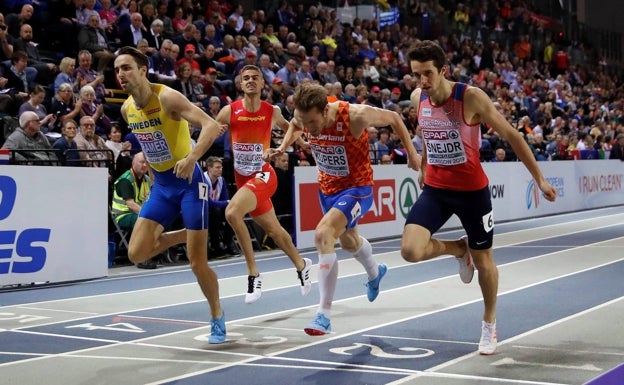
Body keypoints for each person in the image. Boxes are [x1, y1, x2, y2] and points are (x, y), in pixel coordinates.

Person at [403, 40, 558, 355]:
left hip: (472, 193)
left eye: (428, 74)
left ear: (443, 71)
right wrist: (425, 163)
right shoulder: (418, 98)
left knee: (485, 261)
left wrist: (539, 178)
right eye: (417, 75)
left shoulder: (470, 98)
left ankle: (489, 324)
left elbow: (512, 135)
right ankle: (460, 249)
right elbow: (428, 133)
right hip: (436, 189)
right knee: (410, 250)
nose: (422, 81)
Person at [264, 83, 420, 335]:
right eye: (305, 123)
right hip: (327, 188)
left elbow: (393, 118)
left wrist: (412, 155)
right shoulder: (303, 116)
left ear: (326, 110)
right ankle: (375, 273)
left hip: (357, 189)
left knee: (322, 234)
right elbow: (295, 125)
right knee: (349, 242)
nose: (309, 129)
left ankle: (323, 315)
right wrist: (282, 148)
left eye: (312, 123)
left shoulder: (355, 116)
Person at [114, 46, 226, 343]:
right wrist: (152, 179)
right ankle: (185, 234)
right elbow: (149, 145)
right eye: (117, 70)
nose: (121, 74)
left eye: (126, 68)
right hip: (162, 186)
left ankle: (216, 315)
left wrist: (191, 159)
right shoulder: (127, 109)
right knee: (137, 253)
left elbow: (212, 125)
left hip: (190, 182)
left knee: (196, 263)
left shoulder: (167, 97)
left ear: (142, 69)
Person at [215, 64, 312, 304]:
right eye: (245, 78)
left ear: (261, 84)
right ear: (240, 84)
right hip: (243, 181)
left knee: (232, 212)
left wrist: (298, 146)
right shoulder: (230, 111)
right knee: (275, 231)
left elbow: (294, 128)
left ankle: (253, 274)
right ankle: (302, 265)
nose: (250, 81)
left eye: (254, 78)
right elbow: (209, 132)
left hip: (265, 176)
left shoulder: (271, 111)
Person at [111, 151, 155, 268]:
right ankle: (142, 258)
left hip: (138, 214)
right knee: (145, 223)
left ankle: (160, 252)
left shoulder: (146, 179)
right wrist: (146, 215)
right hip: (123, 216)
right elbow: (130, 204)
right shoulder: (125, 180)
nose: (144, 165)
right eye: (141, 162)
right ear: (133, 163)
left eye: (146, 163)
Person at [204, 156, 239, 258]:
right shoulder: (202, 180)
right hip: (203, 210)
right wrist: (227, 202)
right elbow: (207, 203)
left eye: (221, 167)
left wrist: (228, 203)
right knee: (216, 212)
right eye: (217, 167)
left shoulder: (221, 180)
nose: (220, 170)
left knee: (232, 213)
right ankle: (216, 247)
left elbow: (225, 198)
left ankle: (229, 243)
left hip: (216, 209)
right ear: (210, 168)